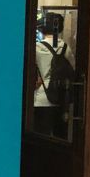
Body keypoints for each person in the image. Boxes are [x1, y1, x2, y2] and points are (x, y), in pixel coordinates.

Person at [33, 9, 75, 140]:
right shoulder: (65, 48)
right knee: (59, 138)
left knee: (40, 138)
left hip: (40, 99)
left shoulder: (36, 48)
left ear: (42, 29)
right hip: (60, 98)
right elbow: (73, 69)